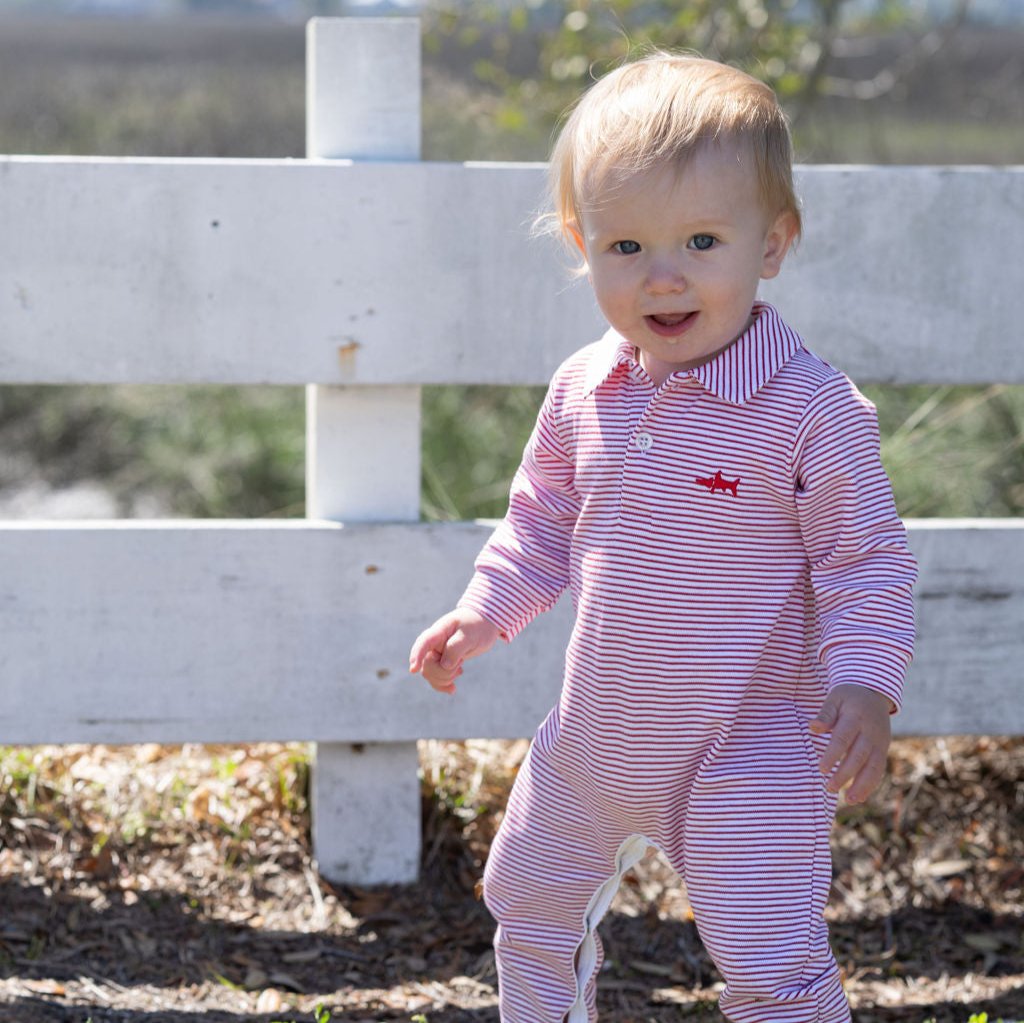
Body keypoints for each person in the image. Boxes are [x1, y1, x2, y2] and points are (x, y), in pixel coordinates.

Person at [409, 52, 917, 1023]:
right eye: (627, 247)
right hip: (596, 733)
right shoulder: (584, 389)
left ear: (771, 244)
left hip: (749, 743)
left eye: (699, 240)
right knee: (527, 903)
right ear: (580, 242)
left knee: (770, 956)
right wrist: (484, 614)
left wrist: (865, 682)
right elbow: (542, 519)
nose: (664, 275)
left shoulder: (808, 409)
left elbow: (864, 558)